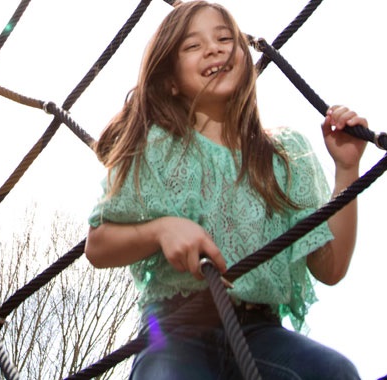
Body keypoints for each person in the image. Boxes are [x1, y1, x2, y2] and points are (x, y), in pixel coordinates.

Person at [84, 1, 367, 379]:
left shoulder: (285, 158)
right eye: (193, 45)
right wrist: (161, 229)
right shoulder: (157, 147)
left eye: (224, 38)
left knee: (334, 372)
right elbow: (98, 245)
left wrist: (347, 170)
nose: (214, 48)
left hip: (260, 332)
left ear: (245, 59)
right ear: (170, 78)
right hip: (177, 328)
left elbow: (331, 267)